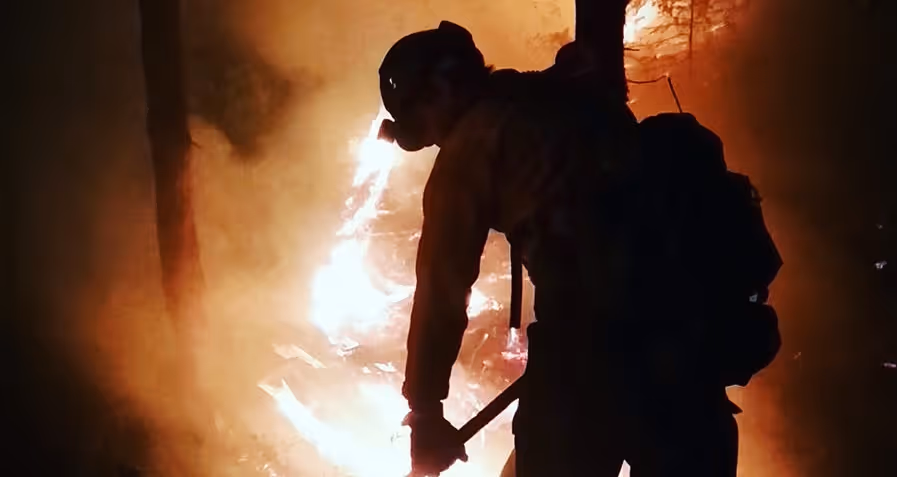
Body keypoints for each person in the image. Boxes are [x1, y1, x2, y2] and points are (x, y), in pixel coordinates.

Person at [378, 21, 639, 477]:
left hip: (589, 342)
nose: (434, 138)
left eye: (422, 123)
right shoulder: (557, 96)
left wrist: (425, 410)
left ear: (438, 92)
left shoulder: (471, 145)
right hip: (691, 340)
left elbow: (441, 289)